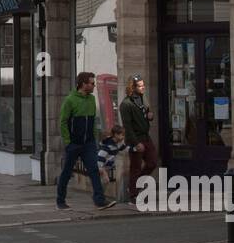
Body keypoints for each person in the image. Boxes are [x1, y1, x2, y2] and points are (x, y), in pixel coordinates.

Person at [55, 71, 113, 211]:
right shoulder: (70, 100)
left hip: (88, 144)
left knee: (94, 170)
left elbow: (93, 121)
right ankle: (60, 201)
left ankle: (99, 200)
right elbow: (62, 122)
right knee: (67, 172)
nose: (94, 86)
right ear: (83, 84)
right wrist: (68, 142)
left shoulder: (92, 99)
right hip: (74, 144)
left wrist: (94, 139)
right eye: (92, 83)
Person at [119, 75, 157, 196]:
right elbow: (127, 126)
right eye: (140, 86)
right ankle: (133, 194)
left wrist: (150, 116)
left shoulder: (142, 99)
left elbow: (146, 115)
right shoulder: (126, 104)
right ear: (133, 87)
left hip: (146, 136)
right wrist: (136, 143)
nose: (143, 87)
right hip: (135, 139)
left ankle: (135, 185)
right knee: (135, 167)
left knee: (152, 162)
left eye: (143, 85)